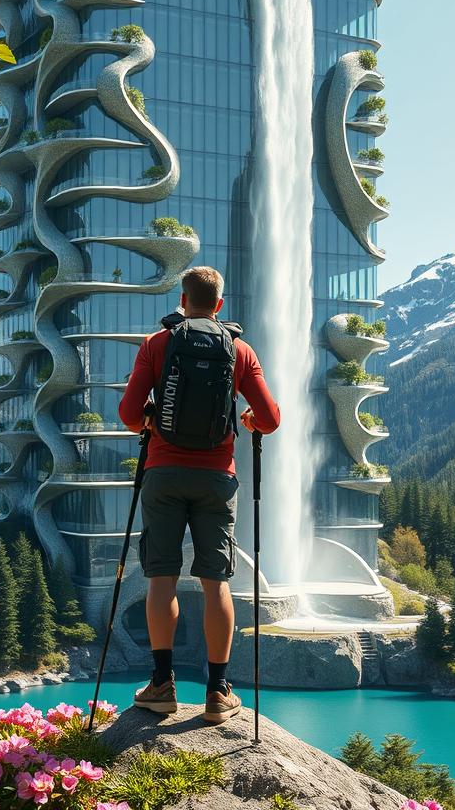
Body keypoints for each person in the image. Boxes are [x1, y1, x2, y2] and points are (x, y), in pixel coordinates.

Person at [118, 266, 281, 723]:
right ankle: (217, 692)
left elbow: (129, 413)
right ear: (220, 305)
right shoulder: (240, 350)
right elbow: (269, 419)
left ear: (182, 301)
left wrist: (150, 422)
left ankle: (161, 686)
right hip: (216, 478)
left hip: (163, 475)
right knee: (216, 583)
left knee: (161, 579)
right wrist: (247, 420)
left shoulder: (156, 344)